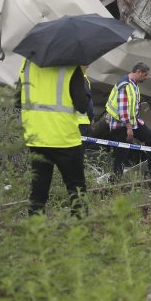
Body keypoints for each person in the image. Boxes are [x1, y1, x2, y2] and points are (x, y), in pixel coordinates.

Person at [20, 59, 91, 215]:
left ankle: (34, 231)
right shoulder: (72, 67)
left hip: (36, 136)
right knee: (76, 188)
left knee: (38, 188)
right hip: (64, 138)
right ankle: (81, 231)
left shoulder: (27, 65)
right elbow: (82, 105)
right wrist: (83, 80)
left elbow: (17, 100)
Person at [104, 62, 151, 178]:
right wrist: (129, 128)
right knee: (122, 151)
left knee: (150, 138)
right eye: (145, 75)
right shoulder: (125, 85)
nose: (146, 77)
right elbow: (123, 110)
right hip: (121, 124)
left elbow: (132, 107)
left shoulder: (133, 83)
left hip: (131, 122)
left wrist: (136, 122)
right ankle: (116, 178)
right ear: (138, 72)